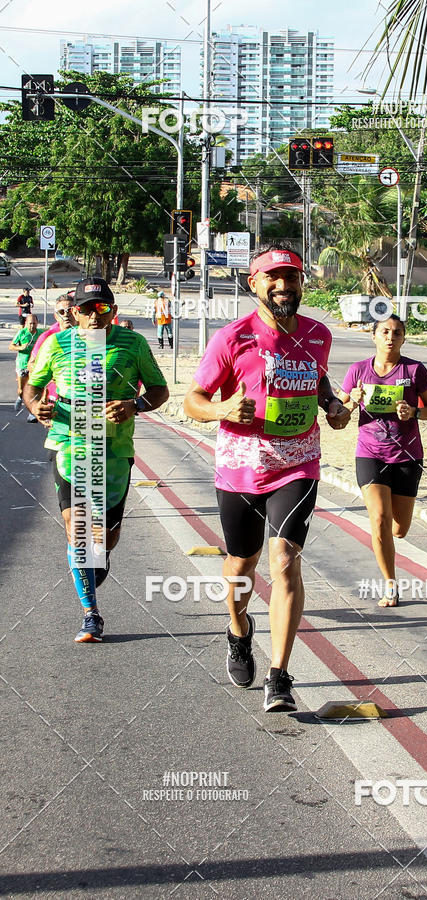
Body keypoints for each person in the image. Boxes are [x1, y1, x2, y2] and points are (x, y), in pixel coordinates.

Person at [183, 243, 350, 712]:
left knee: (284, 559)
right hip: (240, 467)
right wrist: (218, 408)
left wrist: (332, 407)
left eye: (291, 277)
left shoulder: (318, 334)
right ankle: (239, 632)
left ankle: (280, 676)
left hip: (298, 463)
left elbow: (317, 383)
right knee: (241, 565)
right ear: (252, 283)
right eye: (272, 278)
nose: (283, 286)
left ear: (301, 283)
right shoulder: (232, 337)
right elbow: (191, 400)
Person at [24, 277, 169, 642]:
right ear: (75, 312)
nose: (93, 316)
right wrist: (35, 405)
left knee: (105, 537)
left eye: (101, 308)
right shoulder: (55, 343)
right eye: (85, 309)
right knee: (78, 531)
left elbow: (159, 390)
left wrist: (134, 405)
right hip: (69, 444)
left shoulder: (133, 344)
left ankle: (96, 560)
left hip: (115, 451)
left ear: (113, 313)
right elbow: (32, 384)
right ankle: (91, 614)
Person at [338, 314, 427, 607]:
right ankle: (390, 585)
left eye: (397, 333)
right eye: (385, 331)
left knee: (399, 529)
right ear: (374, 336)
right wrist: (351, 401)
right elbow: (339, 413)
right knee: (380, 519)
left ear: (403, 338)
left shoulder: (414, 370)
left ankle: (389, 541)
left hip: (408, 455)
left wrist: (415, 412)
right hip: (370, 453)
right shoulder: (358, 370)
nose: (390, 337)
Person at [10, 313, 44, 411]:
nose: (32, 326)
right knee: (21, 389)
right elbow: (11, 346)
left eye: (34, 323)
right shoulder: (22, 333)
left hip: (34, 365)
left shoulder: (41, 334)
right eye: (30, 323)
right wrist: (21, 347)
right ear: (26, 323)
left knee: (33, 388)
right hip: (22, 364)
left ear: (37, 323)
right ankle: (20, 397)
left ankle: (32, 411)